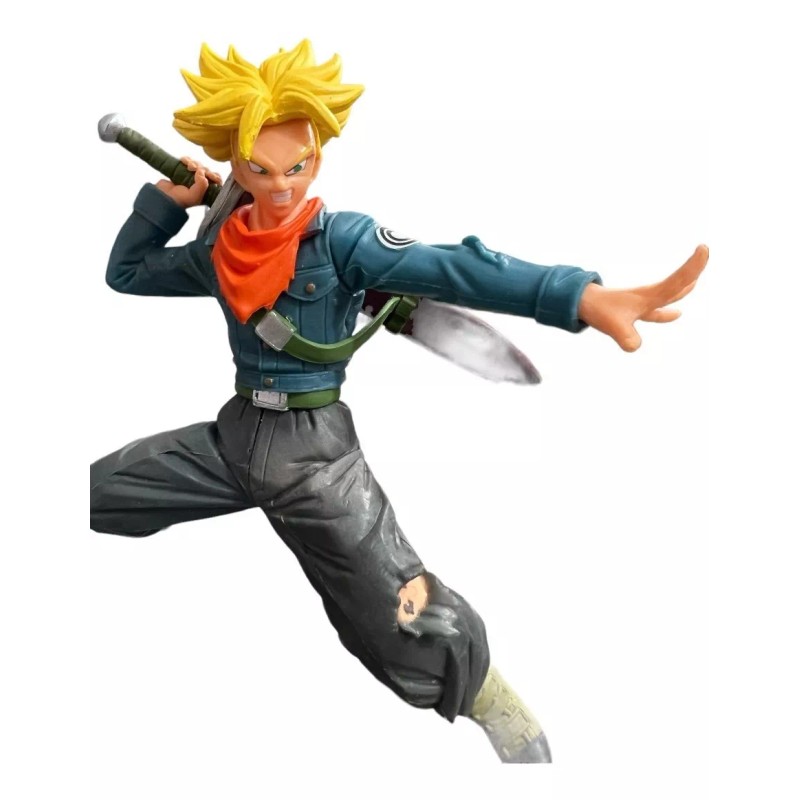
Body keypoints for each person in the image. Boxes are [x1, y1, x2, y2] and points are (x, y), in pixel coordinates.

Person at [90, 40, 707, 763]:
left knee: (402, 609)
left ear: (319, 154)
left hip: (317, 460)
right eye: (260, 169)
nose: (282, 185)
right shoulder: (222, 248)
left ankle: (492, 703)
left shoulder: (343, 242)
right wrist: (164, 205)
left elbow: (454, 267)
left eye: (299, 165)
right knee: (97, 490)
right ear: (234, 161)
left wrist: (578, 296)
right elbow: (127, 272)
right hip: (232, 441)